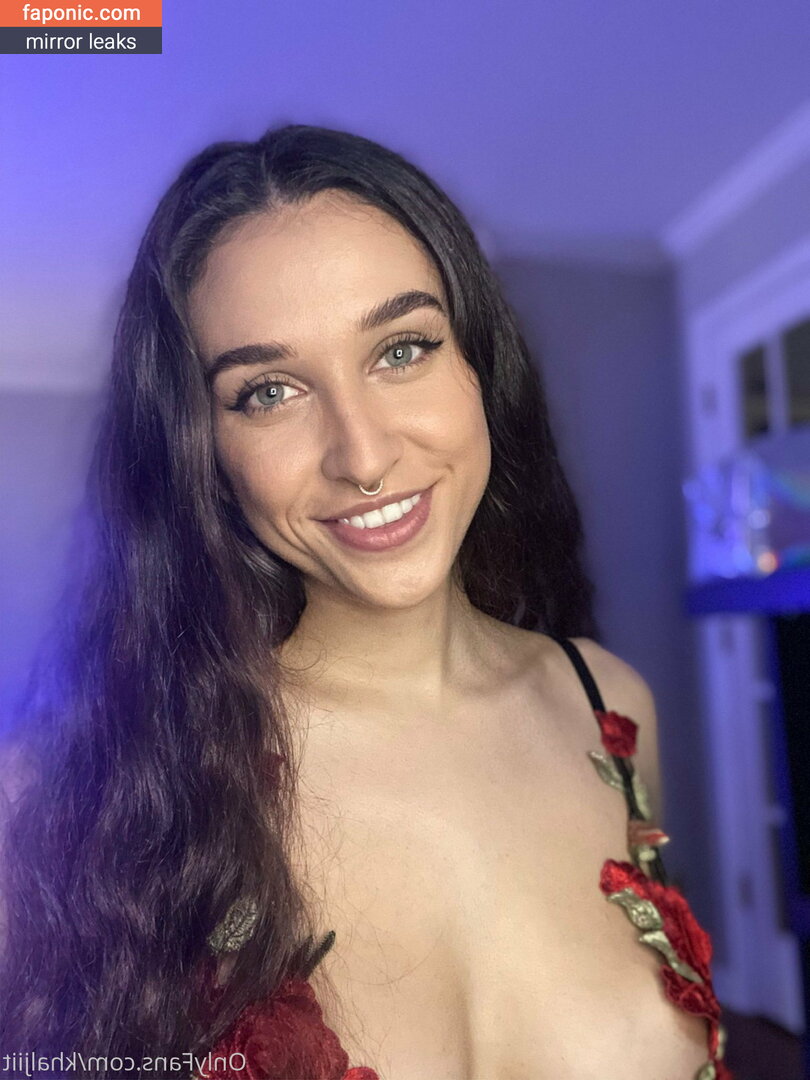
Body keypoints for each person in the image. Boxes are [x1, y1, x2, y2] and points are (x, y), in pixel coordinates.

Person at [0, 124, 732, 1080]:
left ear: (477, 363)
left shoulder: (613, 709)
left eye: (402, 349)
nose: (364, 453)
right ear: (200, 450)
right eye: (269, 391)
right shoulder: (66, 796)